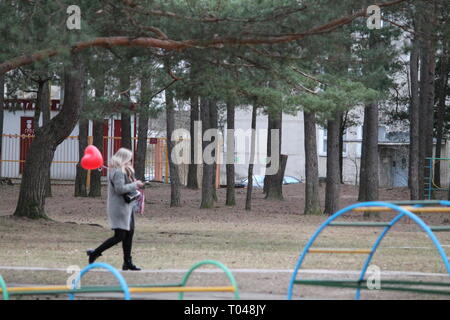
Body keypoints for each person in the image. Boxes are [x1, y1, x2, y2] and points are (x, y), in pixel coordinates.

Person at [86, 148, 144, 271]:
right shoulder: (118, 172)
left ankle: (127, 262)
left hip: (127, 207)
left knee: (129, 234)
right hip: (119, 208)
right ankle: (95, 253)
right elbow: (120, 189)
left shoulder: (123, 171)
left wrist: (135, 184)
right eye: (129, 159)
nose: (131, 162)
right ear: (123, 159)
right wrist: (135, 185)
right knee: (120, 236)